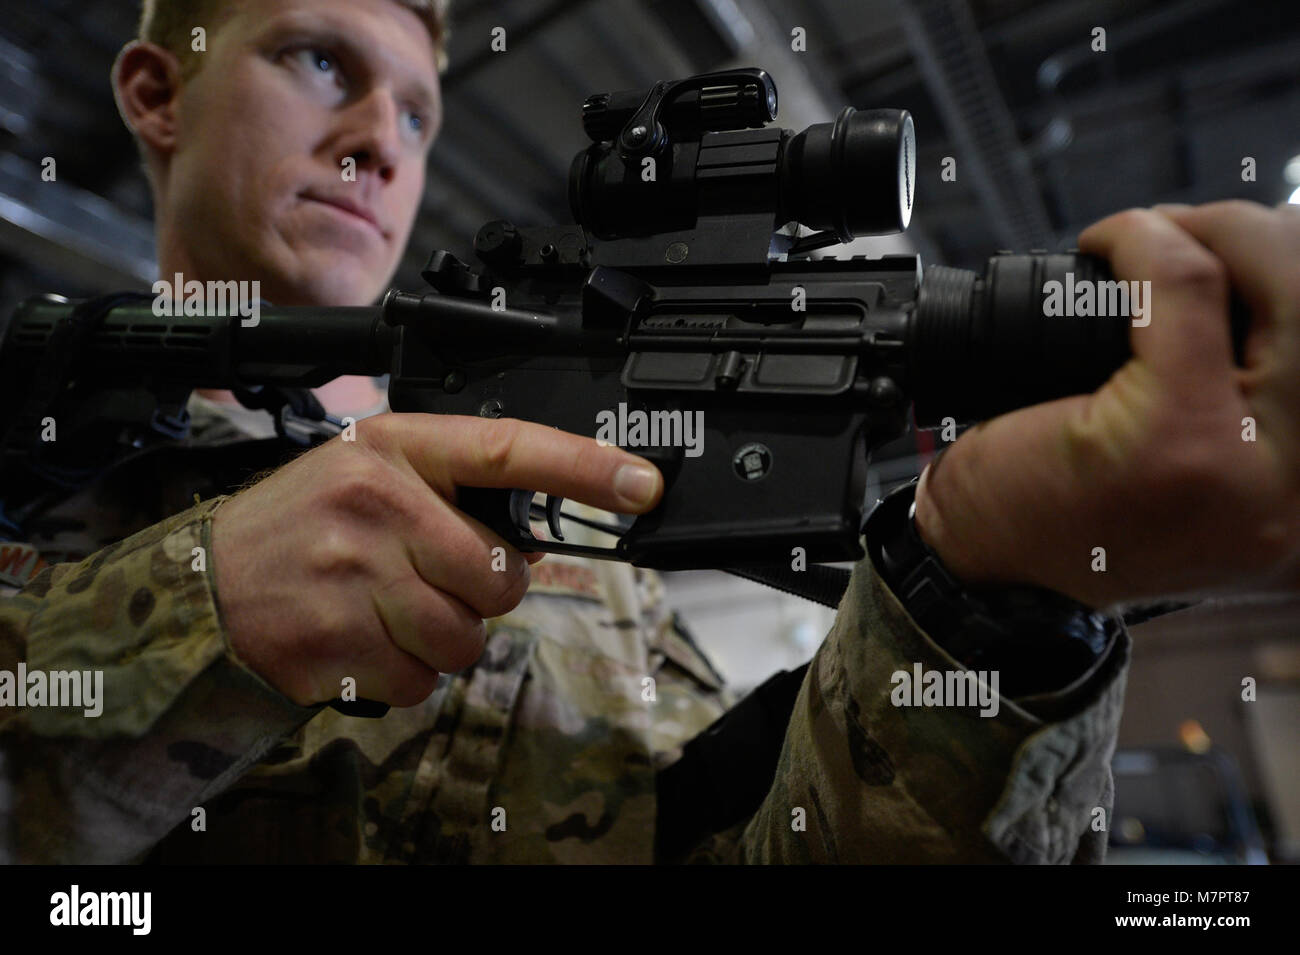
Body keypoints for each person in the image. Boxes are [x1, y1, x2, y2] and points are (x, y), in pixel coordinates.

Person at [1, 0, 1296, 864]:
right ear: (157, 91)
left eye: (415, 112)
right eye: (321, 60)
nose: (377, 144)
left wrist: (992, 598)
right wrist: (198, 608)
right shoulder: (39, 457)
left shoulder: (572, 538)